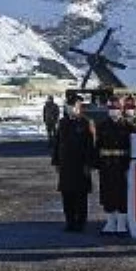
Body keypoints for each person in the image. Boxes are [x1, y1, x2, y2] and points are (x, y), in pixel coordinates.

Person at [52, 94, 96, 232]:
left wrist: (89, 164)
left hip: (80, 165)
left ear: (79, 107)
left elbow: (91, 145)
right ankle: (69, 221)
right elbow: (57, 143)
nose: (71, 108)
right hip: (66, 165)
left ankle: (80, 222)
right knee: (67, 195)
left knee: (80, 195)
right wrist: (56, 162)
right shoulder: (63, 122)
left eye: (74, 106)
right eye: (69, 106)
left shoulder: (86, 123)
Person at [95, 98, 133, 234]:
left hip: (122, 164)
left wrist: (131, 165)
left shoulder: (128, 126)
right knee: (108, 193)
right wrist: (97, 164)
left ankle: (122, 223)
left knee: (122, 193)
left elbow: (132, 147)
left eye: (116, 109)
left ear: (121, 111)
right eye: (111, 109)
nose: (113, 112)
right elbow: (97, 147)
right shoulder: (102, 126)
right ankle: (110, 222)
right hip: (106, 164)